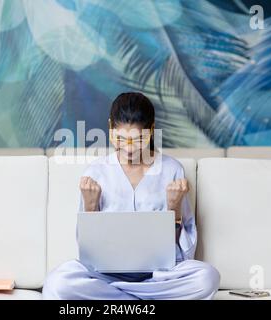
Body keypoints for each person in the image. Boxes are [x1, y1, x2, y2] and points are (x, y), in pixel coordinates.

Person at [42, 92, 220, 300]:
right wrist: (91, 207)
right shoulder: (95, 173)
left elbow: (183, 255)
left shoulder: (172, 170)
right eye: (120, 139)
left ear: (151, 131)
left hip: (159, 278)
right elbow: (88, 256)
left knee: (207, 278)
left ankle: (122, 302)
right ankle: (142, 302)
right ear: (110, 129)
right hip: (106, 277)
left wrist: (174, 209)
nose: (128, 148)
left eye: (138, 140)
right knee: (57, 284)